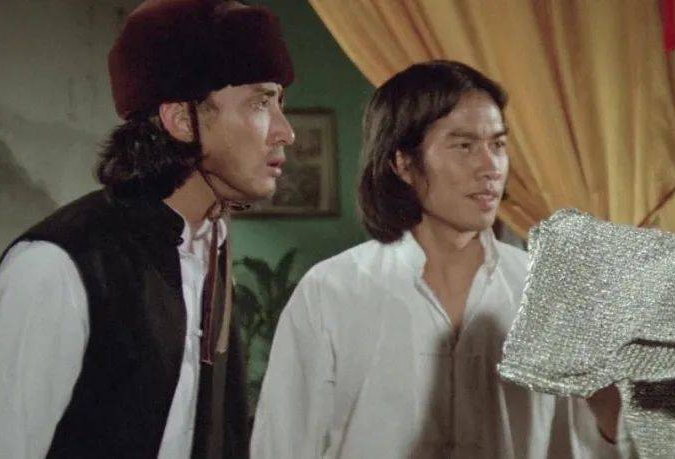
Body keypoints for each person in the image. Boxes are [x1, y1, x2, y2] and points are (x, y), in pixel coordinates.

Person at [0, 0, 296, 457]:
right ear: (181, 120)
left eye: (279, 103)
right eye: (260, 103)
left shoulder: (211, 246)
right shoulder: (59, 265)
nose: (285, 131)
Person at [251, 60, 613, 458]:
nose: (490, 167)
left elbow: (590, 443)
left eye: (497, 145)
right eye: (464, 146)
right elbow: (281, 446)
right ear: (404, 163)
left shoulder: (551, 292)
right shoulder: (332, 291)